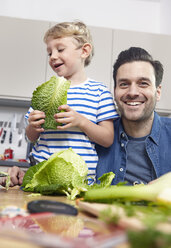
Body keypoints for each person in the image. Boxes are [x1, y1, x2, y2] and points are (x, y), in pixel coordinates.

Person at [0, 21, 118, 187]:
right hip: (41, 176)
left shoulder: (99, 92)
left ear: (84, 51)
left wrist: (81, 122)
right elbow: (31, 137)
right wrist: (33, 126)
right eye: (49, 53)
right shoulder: (45, 90)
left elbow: (107, 139)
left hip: (80, 181)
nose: (53, 56)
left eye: (60, 49)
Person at [96, 47, 171, 185]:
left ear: (157, 92)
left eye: (143, 83)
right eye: (124, 84)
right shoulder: (95, 136)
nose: (132, 92)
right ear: (115, 91)